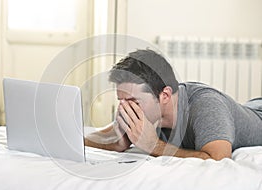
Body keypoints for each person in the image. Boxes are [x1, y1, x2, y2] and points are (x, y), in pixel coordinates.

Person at [84, 49, 262, 160]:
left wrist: (154, 145)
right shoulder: (145, 109)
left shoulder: (206, 105)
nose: (125, 109)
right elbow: (111, 137)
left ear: (165, 95)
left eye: (132, 102)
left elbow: (219, 158)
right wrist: (71, 140)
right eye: (120, 101)